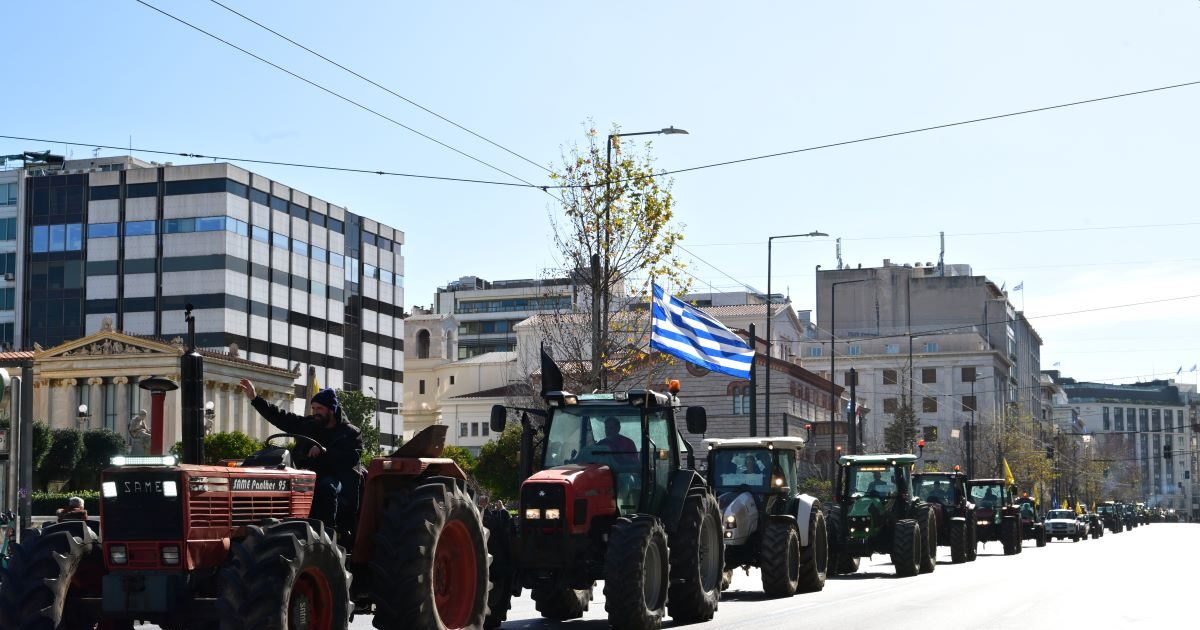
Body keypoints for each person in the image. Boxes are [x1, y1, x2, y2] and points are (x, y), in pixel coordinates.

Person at [240, 378, 364, 529]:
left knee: (326, 487)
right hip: (306, 475)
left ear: (331, 409)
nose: (315, 412)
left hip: (336, 477)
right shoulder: (309, 424)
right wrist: (255, 399)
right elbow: (280, 416)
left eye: (319, 409)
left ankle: (328, 532)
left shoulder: (350, 432)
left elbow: (351, 458)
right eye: (313, 408)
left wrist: (325, 451)